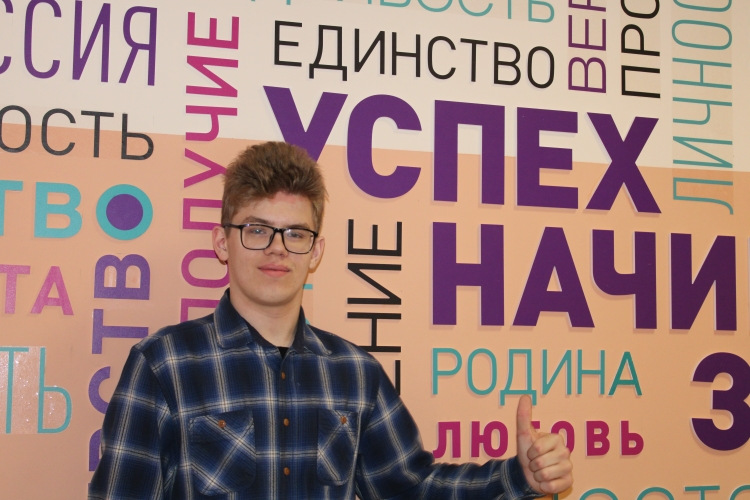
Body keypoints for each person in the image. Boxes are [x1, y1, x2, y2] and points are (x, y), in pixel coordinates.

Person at [89, 141, 573, 499]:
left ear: (315, 251)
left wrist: (518, 477)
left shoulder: (355, 373)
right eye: (257, 230)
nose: (277, 248)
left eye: (295, 233)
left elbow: (410, 488)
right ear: (222, 242)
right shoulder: (164, 365)